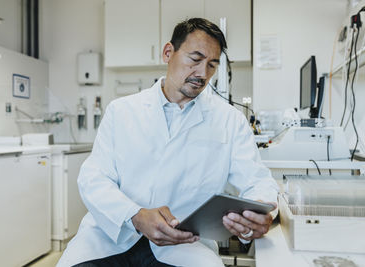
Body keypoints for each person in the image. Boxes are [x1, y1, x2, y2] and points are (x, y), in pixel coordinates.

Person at [57, 18, 279, 267]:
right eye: (195, 59)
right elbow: (93, 178)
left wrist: (259, 214)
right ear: (167, 53)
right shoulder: (121, 111)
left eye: (212, 65)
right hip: (112, 237)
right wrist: (135, 215)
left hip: (184, 245)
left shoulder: (229, 121)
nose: (203, 74)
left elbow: (258, 181)